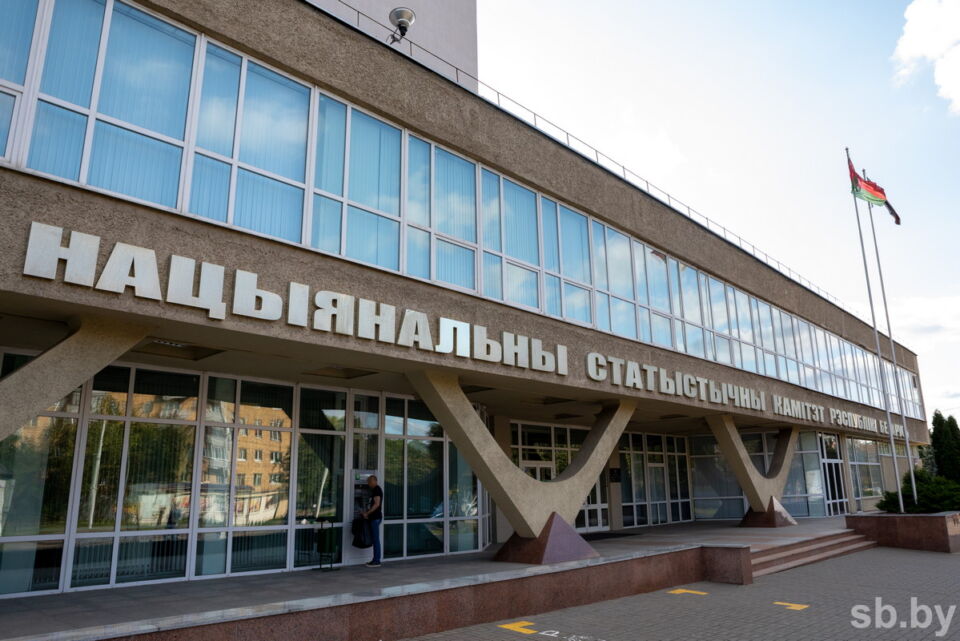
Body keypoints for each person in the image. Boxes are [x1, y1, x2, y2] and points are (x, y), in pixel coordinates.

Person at [361, 475, 383, 567]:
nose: (368, 484)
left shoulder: (377, 489)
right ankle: (375, 559)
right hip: (373, 518)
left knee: (375, 540)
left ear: (375, 481)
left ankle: (376, 560)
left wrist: (367, 513)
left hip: (375, 518)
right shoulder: (374, 490)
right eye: (368, 482)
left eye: (370, 482)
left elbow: (377, 504)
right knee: (375, 539)